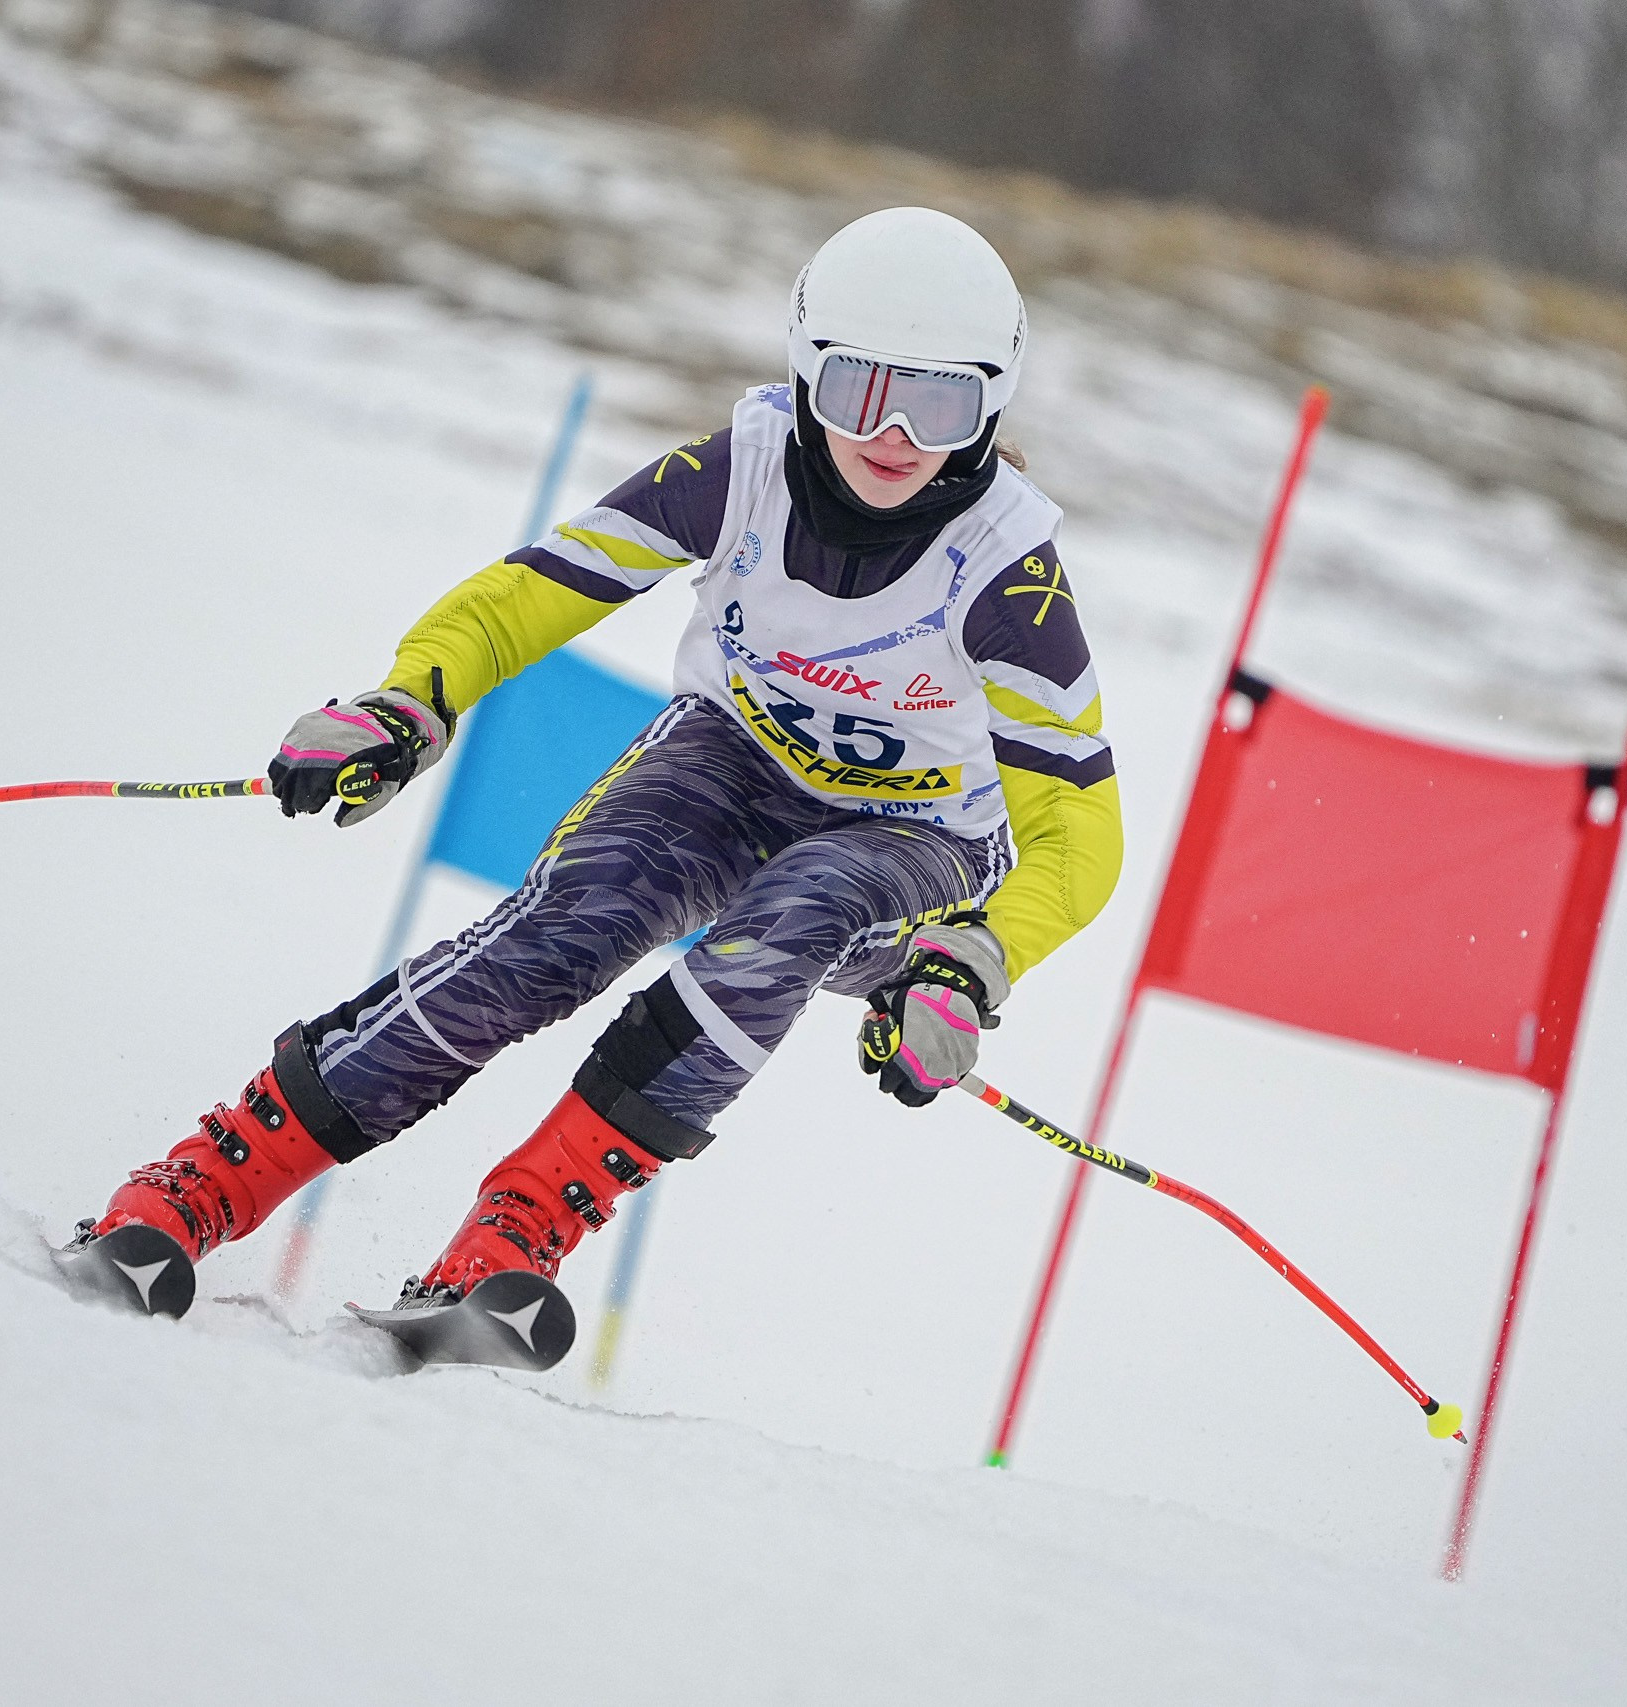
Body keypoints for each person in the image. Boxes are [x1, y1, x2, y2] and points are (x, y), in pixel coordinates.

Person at [63, 207, 1123, 1329]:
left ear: (993, 403)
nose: (895, 433)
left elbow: (1079, 835)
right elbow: (531, 591)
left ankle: (515, 1236)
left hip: (918, 847)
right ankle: (199, 1186)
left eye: (940, 403)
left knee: (796, 913)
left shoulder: (1008, 576)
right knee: (565, 926)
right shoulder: (741, 472)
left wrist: (976, 959)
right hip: (733, 762)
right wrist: (410, 700)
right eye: (860, 390)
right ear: (807, 370)